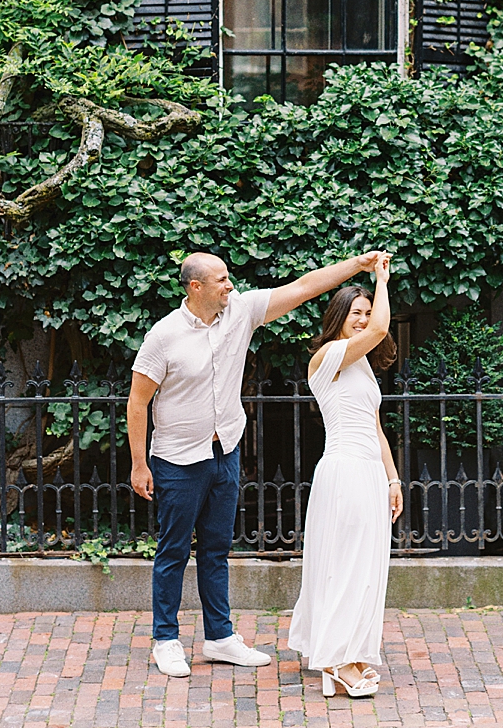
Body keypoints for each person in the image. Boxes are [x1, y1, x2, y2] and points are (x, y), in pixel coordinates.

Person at [127, 249, 388, 679]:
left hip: (224, 451)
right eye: (222, 280)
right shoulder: (165, 335)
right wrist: (140, 464)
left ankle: (219, 638)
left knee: (217, 549)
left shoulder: (240, 312)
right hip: (177, 457)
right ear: (196, 287)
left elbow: (304, 287)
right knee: (173, 550)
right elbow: (138, 402)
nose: (231, 285)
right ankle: (166, 639)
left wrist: (357, 265)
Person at [287, 264, 402, 698]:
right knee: (346, 566)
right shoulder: (327, 358)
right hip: (343, 471)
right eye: (356, 311)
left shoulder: (363, 367)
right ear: (338, 316)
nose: (363, 317)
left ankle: (349, 653)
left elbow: (375, 428)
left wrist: (392, 480)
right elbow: (379, 330)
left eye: (367, 310)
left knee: (366, 569)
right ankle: (335, 661)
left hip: (370, 472)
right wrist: (382, 281)